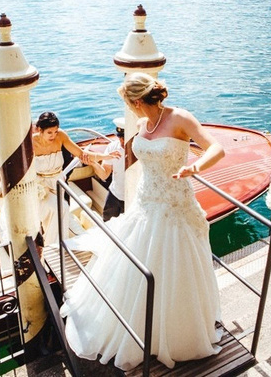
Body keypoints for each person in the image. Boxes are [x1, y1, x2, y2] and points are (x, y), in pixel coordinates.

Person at [60, 72, 225, 371]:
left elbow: (217, 148)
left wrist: (195, 166)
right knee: (136, 263)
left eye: (128, 103)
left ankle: (174, 332)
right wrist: (101, 159)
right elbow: (132, 156)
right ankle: (136, 327)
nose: (131, 109)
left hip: (175, 204)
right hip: (145, 201)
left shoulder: (180, 118)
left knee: (174, 266)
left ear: (136, 101)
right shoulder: (140, 124)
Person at [32, 111, 99, 245]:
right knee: (58, 208)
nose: (53, 135)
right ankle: (53, 245)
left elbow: (81, 154)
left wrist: (104, 156)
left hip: (58, 182)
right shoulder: (31, 142)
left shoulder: (61, 136)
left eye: (55, 131)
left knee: (62, 210)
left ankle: (59, 243)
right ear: (40, 130)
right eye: (49, 132)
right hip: (41, 185)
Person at [87, 117, 126, 221]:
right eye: (120, 137)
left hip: (131, 198)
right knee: (107, 223)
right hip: (114, 194)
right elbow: (104, 175)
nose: (121, 141)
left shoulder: (139, 151)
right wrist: (94, 164)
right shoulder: (112, 147)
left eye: (124, 137)